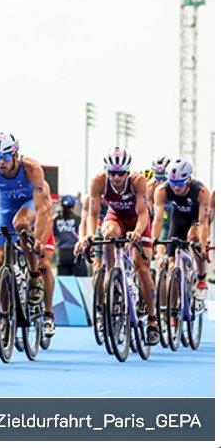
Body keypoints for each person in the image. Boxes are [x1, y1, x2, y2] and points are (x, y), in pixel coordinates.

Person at [0, 132, 57, 337]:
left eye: (5, 156)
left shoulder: (31, 169)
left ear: (16, 155)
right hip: (5, 208)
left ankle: (34, 278)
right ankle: (4, 314)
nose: (0, 162)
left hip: (32, 207)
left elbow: (43, 211)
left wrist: (39, 241)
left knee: (22, 225)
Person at [75, 146, 157, 345]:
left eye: (120, 173)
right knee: (108, 234)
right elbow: (93, 214)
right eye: (112, 173)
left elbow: (143, 213)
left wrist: (137, 233)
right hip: (116, 218)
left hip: (137, 221)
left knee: (142, 269)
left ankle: (152, 321)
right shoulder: (99, 181)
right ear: (107, 171)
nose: (116, 177)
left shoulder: (137, 181)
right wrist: (88, 235)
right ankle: (113, 279)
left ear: (127, 172)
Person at [152, 159, 212, 304]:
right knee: (172, 265)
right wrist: (154, 239)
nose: (176, 188)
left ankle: (201, 278)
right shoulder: (162, 190)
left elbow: (204, 222)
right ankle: (172, 312)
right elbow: (158, 220)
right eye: (173, 183)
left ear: (189, 180)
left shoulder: (201, 192)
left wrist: (203, 244)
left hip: (196, 219)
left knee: (194, 237)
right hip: (177, 220)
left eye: (180, 184)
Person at [52, 195, 82, 276]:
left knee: (63, 281)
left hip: (61, 253)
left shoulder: (56, 219)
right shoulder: (77, 219)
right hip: (75, 252)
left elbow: (54, 235)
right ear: (73, 206)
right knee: (79, 280)